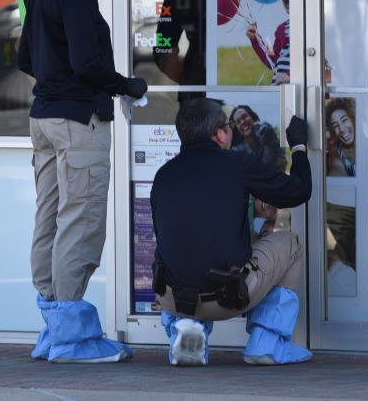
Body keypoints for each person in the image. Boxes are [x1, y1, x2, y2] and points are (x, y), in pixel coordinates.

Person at [18, 0, 147, 364]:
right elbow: (88, 63)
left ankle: (53, 329)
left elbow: (24, 60)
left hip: (44, 120)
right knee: (81, 222)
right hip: (77, 124)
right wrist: (128, 85)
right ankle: (71, 339)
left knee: (50, 219)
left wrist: (56, 87)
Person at [150, 98, 312, 366]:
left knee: (185, 252)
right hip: (227, 296)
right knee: (290, 243)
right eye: (229, 126)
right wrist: (298, 146)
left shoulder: (163, 175)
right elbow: (298, 191)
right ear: (219, 134)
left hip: (173, 298)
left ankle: (191, 328)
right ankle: (266, 343)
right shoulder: (236, 164)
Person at [246, 0, 290, 85]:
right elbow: (273, 62)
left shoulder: (313, 26)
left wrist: (290, 75)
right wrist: (255, 39)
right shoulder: (282, 29)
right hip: (281, 93)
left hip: (299, 91)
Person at [230, 105, 287, 172]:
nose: (242, 122)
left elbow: (271, 162)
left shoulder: (266, 131)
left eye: (244, 116)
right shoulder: (237, 150)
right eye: (238, 122)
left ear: (252, 117)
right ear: (236, 129)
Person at [326, 98, 355, 177]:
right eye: (335, 125)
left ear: (352, 119)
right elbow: (337, 168)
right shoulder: (336, 153)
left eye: (344, 120)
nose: (341, 129)